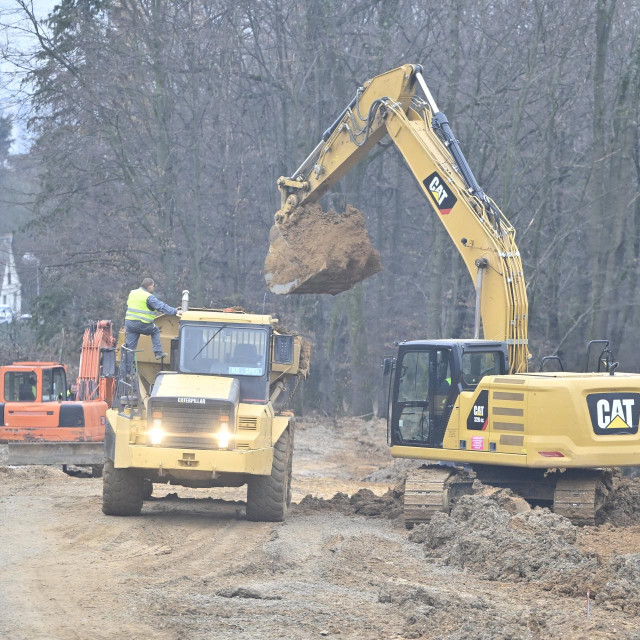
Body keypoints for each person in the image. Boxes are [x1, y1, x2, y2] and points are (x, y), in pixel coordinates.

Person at [124, 278, 182, 366]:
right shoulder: (148, 296)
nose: (154, 288)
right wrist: (176, 311)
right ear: (150, 286)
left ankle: (126, 371)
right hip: (142, 323)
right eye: (153, 286)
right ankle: (158, 353)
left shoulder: (133, 293)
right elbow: (161, 307)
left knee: (129, 349)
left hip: (130, 324)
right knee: (155, 331)